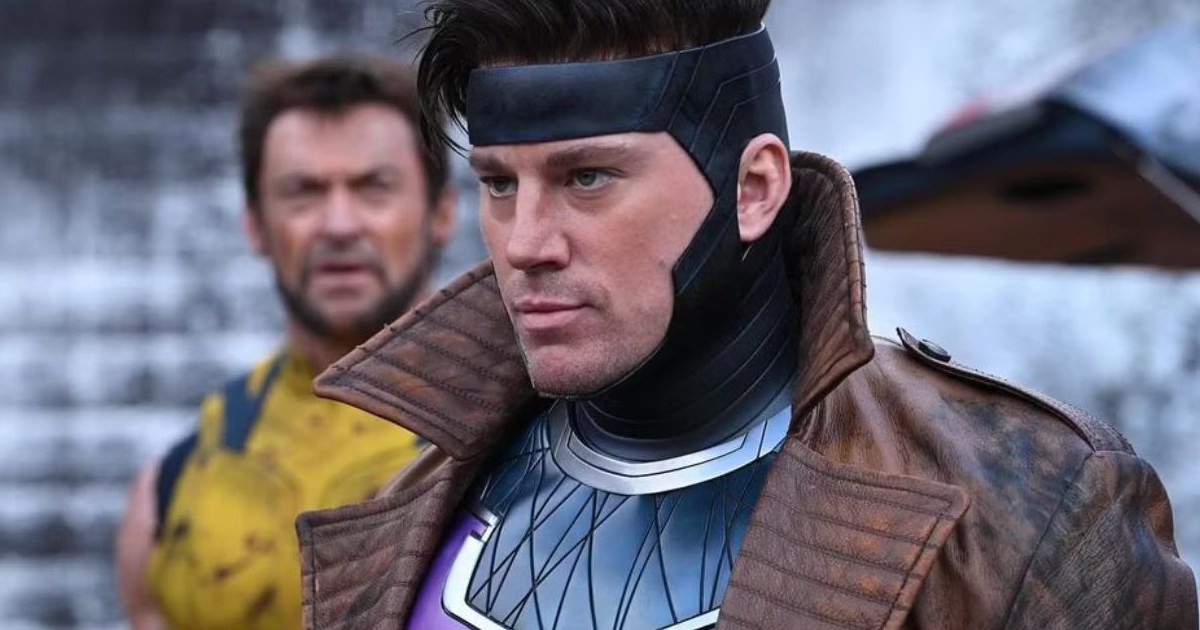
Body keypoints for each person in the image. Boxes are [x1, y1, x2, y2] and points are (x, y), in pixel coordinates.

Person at [296, 2, 1198, 629]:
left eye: (588, 177)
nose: (525, 242)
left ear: (755, 186)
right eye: (499, 185)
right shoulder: (404, 511)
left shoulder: (1029, 505)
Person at [114, 55, 456, 630]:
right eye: (304, 192)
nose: (339, 225)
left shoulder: (528, 448)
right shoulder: (174, 488)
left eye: (374, 187)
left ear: (441, 213)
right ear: (255, 224)